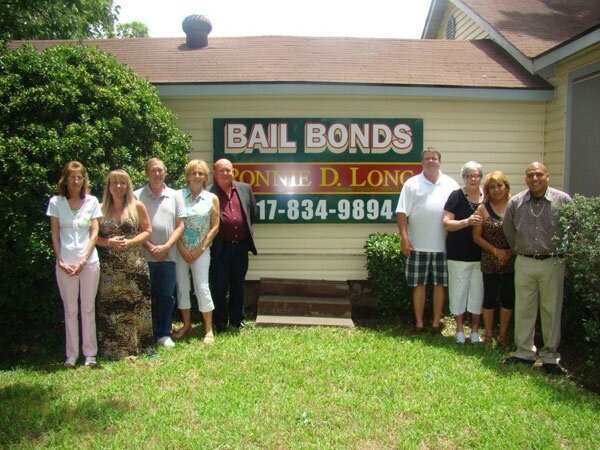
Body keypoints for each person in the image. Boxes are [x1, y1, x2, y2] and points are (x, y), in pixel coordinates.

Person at [502, 162, 572, 375]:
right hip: (524, 261)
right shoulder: (516, 202)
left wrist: (566, 257)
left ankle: (550, 357)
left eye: (539, 174)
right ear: (526, 178)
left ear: (547, 176)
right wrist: (519, 250)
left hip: (553, 262)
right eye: (530, 175)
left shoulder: (562, 200)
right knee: (524, 308)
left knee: (551, 309)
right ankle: (524, 352)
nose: (535, 178)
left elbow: (573, 229)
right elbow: (508, 229)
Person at [396, 148, 459, 333]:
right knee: (418, 285)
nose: (431, 161)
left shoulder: (451, 184)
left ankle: (436, 323)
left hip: (444, 246)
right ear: (422, 162)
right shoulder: (411, 184)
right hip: (417, 246)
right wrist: (404, 239)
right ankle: (419, 323)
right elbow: (401, 213)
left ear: (440, 161)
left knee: (440, 286)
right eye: (427, 159)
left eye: (434, 158)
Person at [47, 161, 102, 368]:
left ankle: (90, 355)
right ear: (66, 179)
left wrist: (83, 260)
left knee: (88, 308)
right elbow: (54, 233)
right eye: (72, 177)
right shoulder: (56, 202)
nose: (76, 181)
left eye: (79, 177)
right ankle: (71, 355)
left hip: (89, 263)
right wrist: (60, 260)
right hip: (65, 264)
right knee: (70, 310)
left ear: (84, 180)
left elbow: (94, 233)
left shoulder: (92, 201)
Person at [96, 170, 154, 359]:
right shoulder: (100, 209)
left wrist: (131, 242)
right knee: (112, 307)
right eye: (114, 182)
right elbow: (93, 237)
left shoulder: (137, 206)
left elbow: (148, 231)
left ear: (128, 186)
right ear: (108, 186)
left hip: (134, 265)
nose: (118, 186)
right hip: (110, 268)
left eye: (122, 183)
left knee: (137, 305)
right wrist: (108, 242)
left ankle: (141, 347)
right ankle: (113, 350)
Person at [135, 158, 185, 348]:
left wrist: (166, 246)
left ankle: (164, 333)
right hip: (143, 256)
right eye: (153, 170)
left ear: (165, 172)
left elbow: (180, 225)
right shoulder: (136, 196)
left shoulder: (175, 196)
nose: (157, 173)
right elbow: (133, 226)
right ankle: (145, 333)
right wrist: (150, 246)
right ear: (146, 173)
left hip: (168, 256)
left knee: (166, 297)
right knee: (144, 297)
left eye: (160, 170)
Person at [208, 158, 257, 332]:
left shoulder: (245, 189)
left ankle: (237, 319)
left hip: (241, 247)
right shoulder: (209, 193)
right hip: (220, 247)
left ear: (233, 172)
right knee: (219, 286)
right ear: (215, 173)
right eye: (221, 170)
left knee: (238, 284)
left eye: (228, 170)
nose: (225, 173)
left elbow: (252, 213)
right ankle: (220, 322)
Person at [174, 160, 220, 344]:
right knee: (182, 286)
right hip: (180, 250)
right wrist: (181, 248)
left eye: (201, 173)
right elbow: (174, 223)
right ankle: (186, 325)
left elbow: (215, 226)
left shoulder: (211, 198)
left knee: (202, 287)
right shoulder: (178, 196)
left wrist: (201, 248)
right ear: (188, 176)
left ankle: (208, 329)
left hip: (201, 251)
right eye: (194, 173)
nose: (197, 176)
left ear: (205, 177)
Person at [442, 161, 485, 344]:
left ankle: (474, 331)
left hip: (482, 256)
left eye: (476, 175)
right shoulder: (456, 196)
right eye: (468, 176)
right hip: (458, 254)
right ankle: (459, 330)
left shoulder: (488, 196)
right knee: (458, 293)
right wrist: (467, 222)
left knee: (478, 293)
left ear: (480, 177)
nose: (472, 179)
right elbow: (446, 223)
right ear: (463, 178)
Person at [472, 171, 515, 350]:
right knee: (489, 299)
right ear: (487, 190)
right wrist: (496, 251)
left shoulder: (515, 206)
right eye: (492, 187)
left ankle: (503, 337)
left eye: (499, 186)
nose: (496, 190)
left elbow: (522, 233)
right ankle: (489, 335)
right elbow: (476, 237)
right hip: (490, 261)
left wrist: (510, 252)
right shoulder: (482, 209)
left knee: (508, 300)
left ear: (506, 187)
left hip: (511, 261)